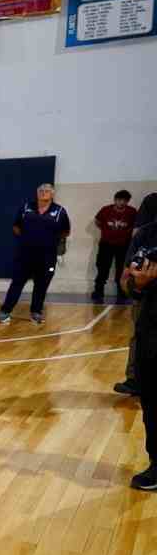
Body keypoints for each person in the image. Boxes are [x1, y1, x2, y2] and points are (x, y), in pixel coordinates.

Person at [0, 184, 71, 325]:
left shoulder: (60, 211)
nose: (43, 193)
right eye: (40, 191)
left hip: (47, 256)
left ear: (52, 194)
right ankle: (5, 312)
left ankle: (36, 313)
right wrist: (28, 239)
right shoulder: (26, 208)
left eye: (47, 191)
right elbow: (16, 227)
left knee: (41, 285)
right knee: (17, 283)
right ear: (37, 193)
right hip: (25, 254)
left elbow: (65, 231)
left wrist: (52, 242)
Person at [125, 198, 157, 490]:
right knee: (151, 398)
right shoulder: (146, 235)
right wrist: (140, 284)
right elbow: (127, 282)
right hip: (152, 327)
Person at [116, 194, 157, 397]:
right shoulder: (144, 234)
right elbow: (125, 277)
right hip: (147, 300)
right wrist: (137, 285)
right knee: (140, 336)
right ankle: (135, 379)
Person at [94, 189, 138, 304]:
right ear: (115, 200)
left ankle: (122, 294)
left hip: (124, 246)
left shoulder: (132, 212)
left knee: (122, 271)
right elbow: (97, 222)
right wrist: (106, 231)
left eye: (125, 201)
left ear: (128, 201)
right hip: (106, 244)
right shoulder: (105, 210)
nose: (122, 203)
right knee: (102, 269)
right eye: (119, 200)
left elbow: (136, 226)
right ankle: (98, 293)